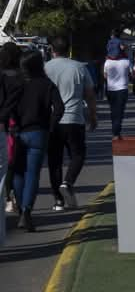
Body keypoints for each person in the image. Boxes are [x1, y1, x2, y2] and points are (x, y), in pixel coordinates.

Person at [13, 51, 64, 231]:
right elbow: (59, 108)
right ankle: (27, 210)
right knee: (32, 173)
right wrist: (50, 126)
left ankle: (20, 209)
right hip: (39, 132)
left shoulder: (17, 85)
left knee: (18, 172)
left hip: (18, 132)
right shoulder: (46, 84)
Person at [45, 36, 97, 211]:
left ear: (52, 50)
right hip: (74, 118)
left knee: (54, 160)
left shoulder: (45, 68)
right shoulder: (79, 68)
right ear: (69, 50)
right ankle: (68, 182)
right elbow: (89, 94)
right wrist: (93, 116)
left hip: (52, 120)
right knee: (78, 154)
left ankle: (58, 200)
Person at [0, 43, 23, 243]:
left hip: (7, 125)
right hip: (12, 126)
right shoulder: (19, 78)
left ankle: (10, 198)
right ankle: (12, 197)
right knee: (11, 166)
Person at [104, 51, 132, 138]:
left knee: (113, 110)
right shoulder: (126, 61)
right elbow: (131, 73)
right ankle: (116, 132)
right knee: (120, 111)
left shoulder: (107, 62)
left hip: (110, 89)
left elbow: (105, 75)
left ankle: (115, 130)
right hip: (122, 88)